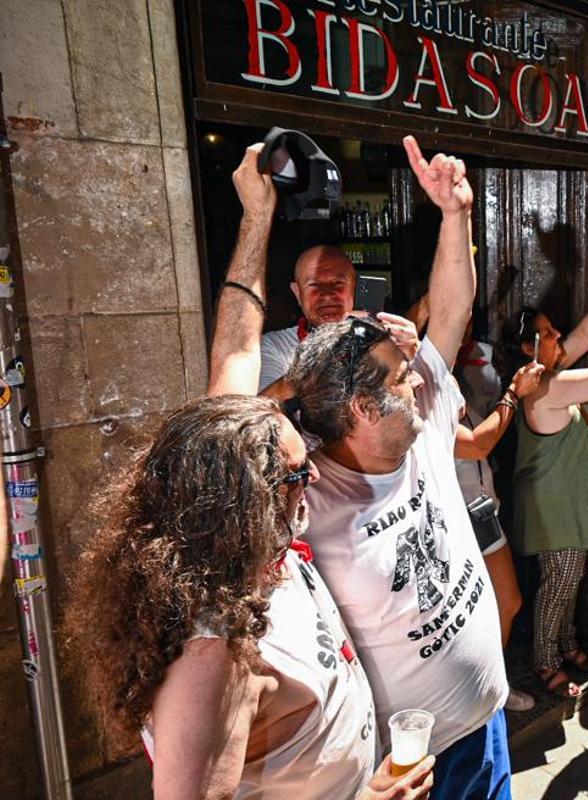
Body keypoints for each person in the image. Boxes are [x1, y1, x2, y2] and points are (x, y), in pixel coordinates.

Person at [66, 143, 432, 800]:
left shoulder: (256, 553)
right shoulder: (213, 661)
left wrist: (257, 217)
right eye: (293, 478)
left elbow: (234, 351)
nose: (312, 481)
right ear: (234, 505)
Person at [281, 138, 513, 798]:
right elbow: (227, 424)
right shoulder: (312, 505)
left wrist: (455, 216)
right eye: (399, 374)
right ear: (359, 408)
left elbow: (452, 312)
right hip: (413, 767)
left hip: (487, 726)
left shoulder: (426, 425)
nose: (419, 377)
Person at [499, 284, 588, 698]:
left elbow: (580, 337)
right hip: (555, 507)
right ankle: (545, 659)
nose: (558, 336)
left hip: (567, 501)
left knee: (570, 577)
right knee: (560, 581)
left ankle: (566, 644)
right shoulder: (545, 389)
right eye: (547, 334)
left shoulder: (548, 376)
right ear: (530, 348)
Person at [452, 332, 545, 713]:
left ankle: (493, 686)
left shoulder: (465, 374)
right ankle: (474, 698)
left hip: (482, 509)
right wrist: (514, 393)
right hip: (455, 518)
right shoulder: (420, 391)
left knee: (507, 601)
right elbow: (476, 443)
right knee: (466, 616)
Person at [259, 245, 357, 391]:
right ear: (298, 293)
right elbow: (265, 407)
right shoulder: (274, 346)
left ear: (354, 288)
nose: (327, 294)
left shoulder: (381, 342)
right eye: (314, 285)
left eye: (338, 283)